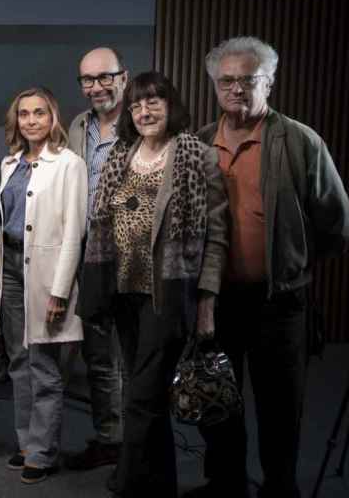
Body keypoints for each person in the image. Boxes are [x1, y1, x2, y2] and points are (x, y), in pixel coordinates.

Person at [191, 37, 349, 498]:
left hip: (278, 301)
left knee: (280, 406)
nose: (237, 89)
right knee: (218, 399)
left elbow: (336, 223)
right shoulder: (200, 143)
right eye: (227, 81)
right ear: (216, 86)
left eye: (248, 80)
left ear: (269, 83)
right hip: (216, 301)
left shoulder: (300, 141)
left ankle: (280, 489)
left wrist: (292, 262)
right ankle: (224, 485)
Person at [81, 71, 228, 497]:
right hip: (122, 289)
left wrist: (206, 304)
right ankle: (161, 484)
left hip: (167, 293)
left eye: (154, 102)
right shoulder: (121, 154)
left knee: (141, 395)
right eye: (137, 105)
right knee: (144, 391)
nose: (145, 111)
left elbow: (216, 238)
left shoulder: (196, 156)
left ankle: (127, 483)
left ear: (171, 106)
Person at [0, 87, 87, 484]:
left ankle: (43, 453)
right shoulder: (10, 163)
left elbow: (74, 232)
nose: (31, 120)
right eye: (24, 114)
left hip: (46, 272)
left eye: (39, 113)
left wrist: (60, 291)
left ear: (52, 117)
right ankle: (27, 443)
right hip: (9, 265)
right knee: (19, 361)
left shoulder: (69, 164)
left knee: (45, 366)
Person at [66, 47, 128, 471]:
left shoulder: (143, 124)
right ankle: (110, 439)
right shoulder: (78, 126)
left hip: (132, 261)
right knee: (99, 357)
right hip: (90, 259)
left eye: (104, 77)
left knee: (134, 357)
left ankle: (137, 448)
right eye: (88, 80)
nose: (96, 87)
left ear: (124, 77)